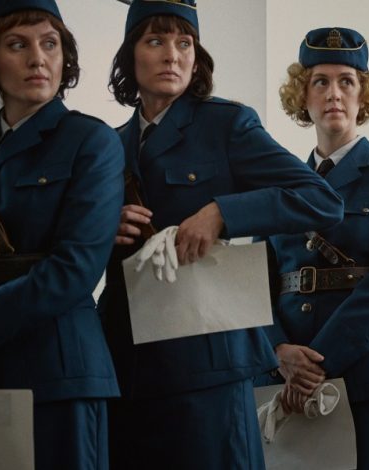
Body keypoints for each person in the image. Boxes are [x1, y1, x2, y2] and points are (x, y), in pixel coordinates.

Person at [100, 2, 344, 468]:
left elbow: (321, 200)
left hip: (208, 363)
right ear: (130, 55)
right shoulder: (109, 144)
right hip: (126, 363)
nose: (172, 55)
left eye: (184, 43)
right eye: (156, 41)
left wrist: (221, 213)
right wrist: (104, 228)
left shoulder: (226, 124)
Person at [0, 0, 125, 468]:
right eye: (17, 45)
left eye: (50, 44)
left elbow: (75, 268)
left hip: (58, 373)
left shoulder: (92, 142)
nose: (38, 58)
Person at [261, 27, 369, 468]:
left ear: (363, 95)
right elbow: (254, 284)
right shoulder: (278, 183)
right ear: (303, 95)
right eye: (320, 81)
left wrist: (318, 362)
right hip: (287, 374)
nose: (334, 93)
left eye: (346, 81)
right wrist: (278, 351)